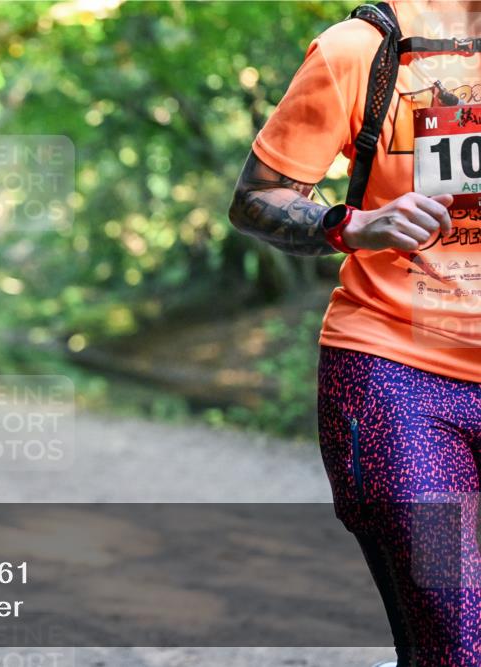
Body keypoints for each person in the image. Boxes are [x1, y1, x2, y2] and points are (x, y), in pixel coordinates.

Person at [228, 1, 480, 665]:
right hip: (398, 377)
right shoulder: (362, 51)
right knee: (457, 644)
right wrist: (351, 224)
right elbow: (257, 197)